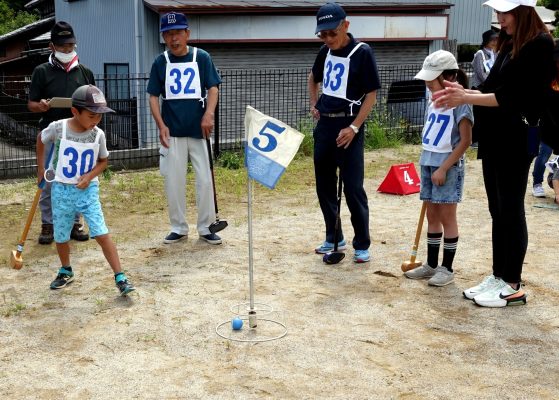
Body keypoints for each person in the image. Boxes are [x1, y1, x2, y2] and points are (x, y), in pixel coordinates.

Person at [433, 0, 555, 307]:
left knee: (511, 209)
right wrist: (460, 92)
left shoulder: (540, 44)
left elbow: (514, 97)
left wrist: (467, 95)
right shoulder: (510, 42)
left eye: (505, 13)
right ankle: (498, 275)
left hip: (518, 136)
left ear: (523, 11)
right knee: (497, 209)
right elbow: (489, 87)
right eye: (498, 13)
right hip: (496, 136)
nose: (499, 19)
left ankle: (512, 283)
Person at [36, 85, 135, 296]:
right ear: (75, 112)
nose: (96, 121)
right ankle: (66, 270)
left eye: (100, 116)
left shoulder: (98, 135)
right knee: (61, 234)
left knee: (101, 232)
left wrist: (89, 176)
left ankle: (120, 276)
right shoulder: (58, 128)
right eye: (92, 116)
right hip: (61, 189)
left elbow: (103, 162)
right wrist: (41, 169)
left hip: (87, 191)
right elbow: (40, 139)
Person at [308, 3, 380, 263]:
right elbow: (312, 77)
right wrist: (314, 103)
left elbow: (371, 94)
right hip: (325, 125)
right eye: (322, 35)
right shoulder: (324, 52)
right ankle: (334, 235)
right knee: (324, 186)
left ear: (345, 26)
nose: (327, 39)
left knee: (352, 187)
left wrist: (354, 127)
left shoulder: (363, 52)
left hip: (349, 124)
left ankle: (361, 242)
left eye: (331, 33)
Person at [147, 12, 222, 245]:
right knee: (173, 180)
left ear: (187, 33)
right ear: (163, 37)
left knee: (205, 180)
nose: (173, 38)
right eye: (168, 34)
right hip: (173, 132)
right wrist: (161, 125)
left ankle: (207, 226)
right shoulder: (161, 62)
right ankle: (179, 227)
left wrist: (209, 114)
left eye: (177, 32)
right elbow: (152, 96)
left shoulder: (202, 57)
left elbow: (213, 88)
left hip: (200, 130)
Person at [404, 50, 473, 286]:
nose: (428, 83)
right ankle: (431, 265)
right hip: (428, 162)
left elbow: (465, 141)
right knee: (432, 215)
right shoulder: (431, 99)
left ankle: (447, 268)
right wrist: (429, 163)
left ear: (450, 77)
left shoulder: (462, 102)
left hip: (448, 166)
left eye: (432, 79)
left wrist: (443, 168)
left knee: (446, 216)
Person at [28, 21, 94, 245]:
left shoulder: (85, 72)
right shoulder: (41, 72)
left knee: (75, 179)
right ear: (51, 46)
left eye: (71, 45)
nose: (68, 50)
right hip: (50, 133)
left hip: (77, 134)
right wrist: (42, 106)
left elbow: (93, 102)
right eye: (63, 46)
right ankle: (48, 223)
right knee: (48, 179)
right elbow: (31, 104)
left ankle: (75, 222)